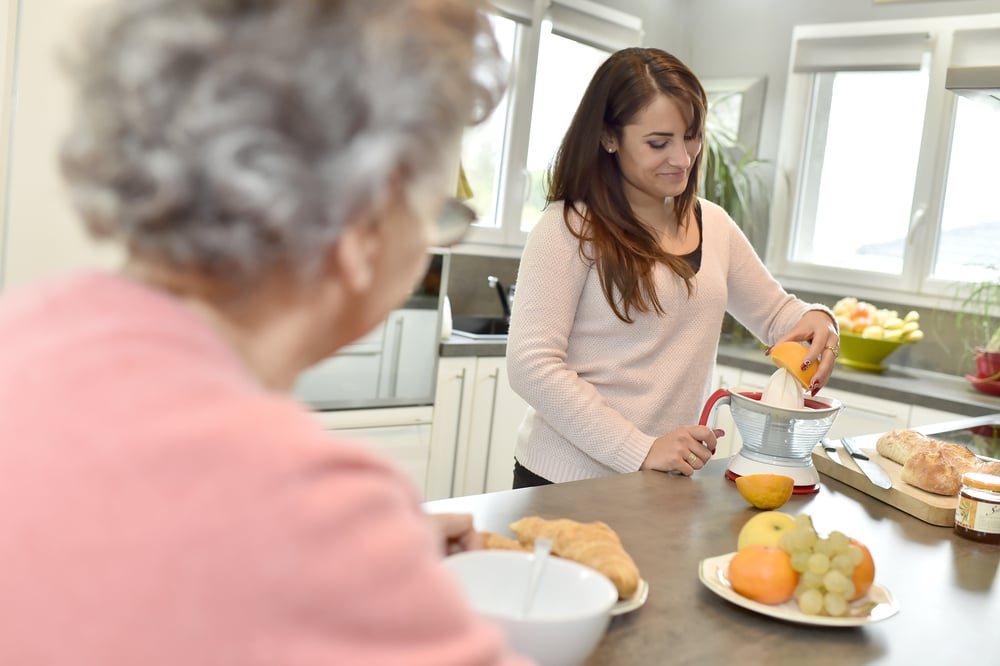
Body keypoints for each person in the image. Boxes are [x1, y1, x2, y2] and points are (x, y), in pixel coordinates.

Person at [0, 1, 531, 664]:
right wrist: (355, 564)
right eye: (437, 212)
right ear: (365, 217)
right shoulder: (307, 509)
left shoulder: (21, 329)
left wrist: (364, 565)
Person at [505, 47, 840, 488]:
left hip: (665, 480)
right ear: (609, 137)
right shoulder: (568, 227)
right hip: (567, 483)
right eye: (659, 143)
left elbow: (779, 317)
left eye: (692, 136)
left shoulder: (713, 224)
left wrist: (818, 321)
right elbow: (532, 366)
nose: (683, 159)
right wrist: (639, 448)